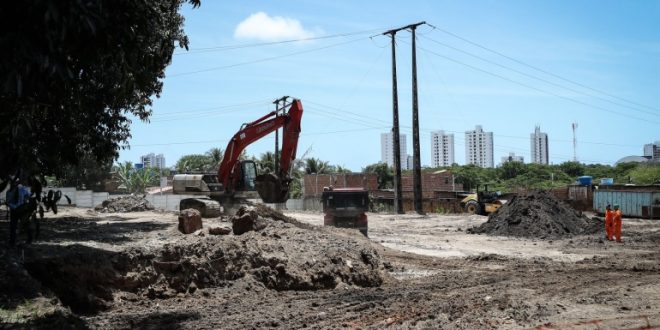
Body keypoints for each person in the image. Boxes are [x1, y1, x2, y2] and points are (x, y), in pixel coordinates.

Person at [6, 179, 31, 246]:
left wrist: (27, 200)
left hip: (22, 209)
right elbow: (8, 202)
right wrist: (15, 207)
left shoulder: (23, 189)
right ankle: (12, 242)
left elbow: (29, 196)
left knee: (26, 224)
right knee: (13, 227)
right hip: (14, 211)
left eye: (16, 182)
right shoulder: (9, 191)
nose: (15, 184)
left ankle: (29, 239)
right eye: (13, 182)